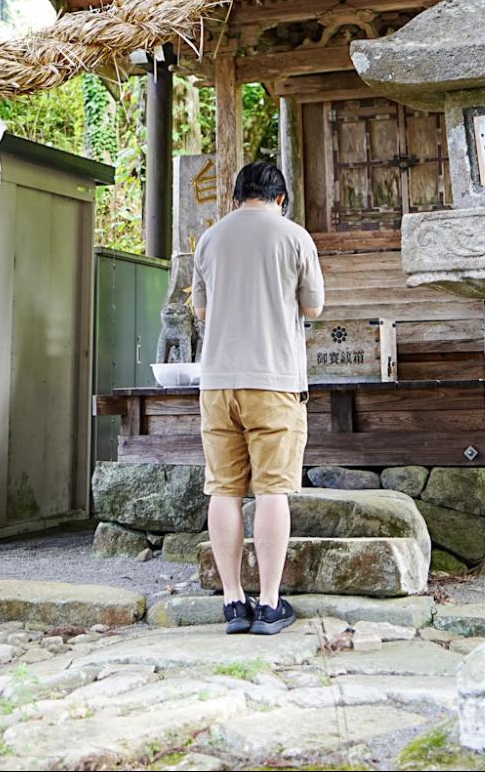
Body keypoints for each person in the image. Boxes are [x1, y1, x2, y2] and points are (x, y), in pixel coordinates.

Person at [191, 157, 324, 636]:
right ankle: (268, 604)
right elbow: (313, 306)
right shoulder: (294, 237)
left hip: (218, 382)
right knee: (272, 491)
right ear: (281, 199)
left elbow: (202, 311)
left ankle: (232, 601)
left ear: (235, 196)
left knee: (223, 489)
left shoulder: (210, 238)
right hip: (274, 381)